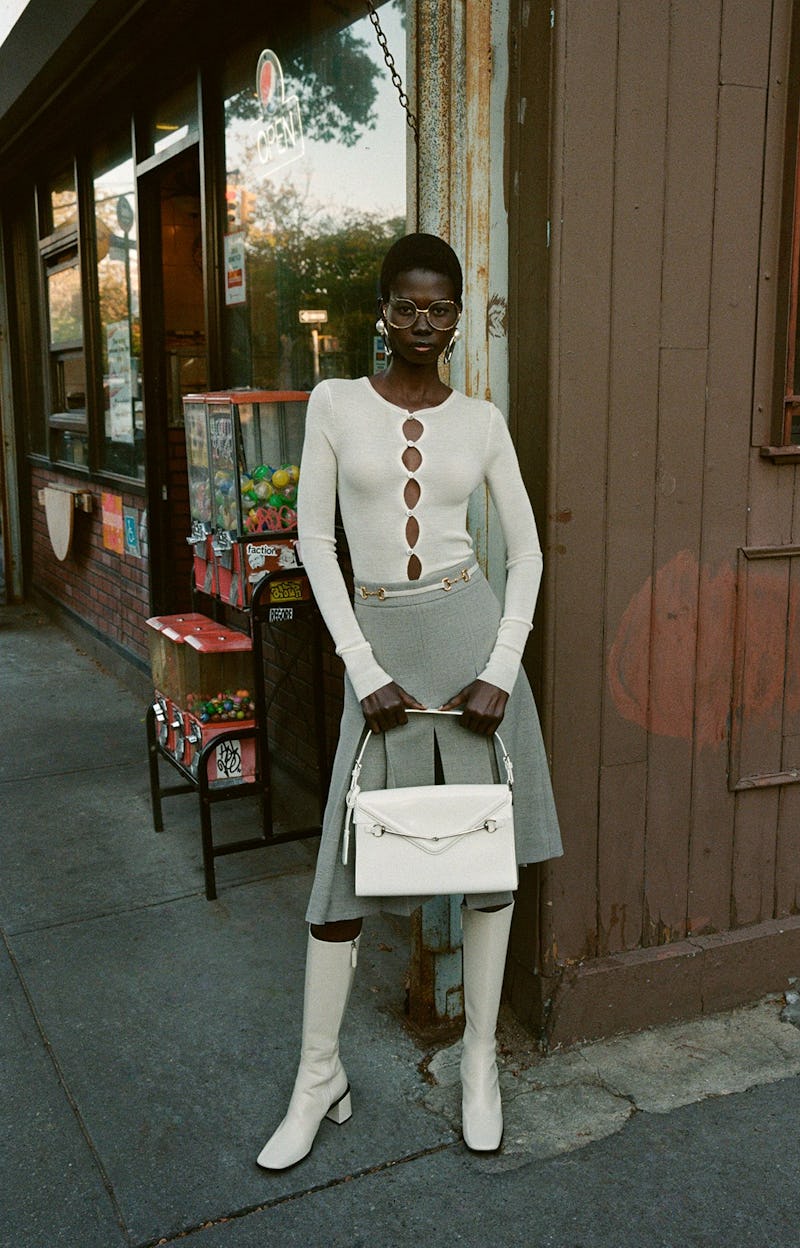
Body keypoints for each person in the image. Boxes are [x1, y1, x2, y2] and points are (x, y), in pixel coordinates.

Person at [257, 232, 562, 1170]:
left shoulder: (482, 418)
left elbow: (529, 552)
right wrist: (361, 665)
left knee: (488, 864)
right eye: (405, 306)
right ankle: (319, 1078)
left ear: (458, 320)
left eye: (439, 309)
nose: (421, 323)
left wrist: (502, 669)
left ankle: (479, 1064)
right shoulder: (335, 404)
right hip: (376, 652)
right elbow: (314, 540)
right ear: (381, 311)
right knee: (337, 889)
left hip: (472, 643)